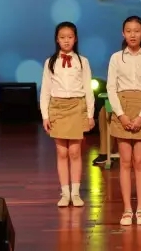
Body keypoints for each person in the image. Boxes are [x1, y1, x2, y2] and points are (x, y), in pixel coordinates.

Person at [106, 15, 141, 226]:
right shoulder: (116, 58)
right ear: (123, 33)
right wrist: (121, 114)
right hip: (122, 108)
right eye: (128, 31)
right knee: (125, 162)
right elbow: (111, 88)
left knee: (140, 162)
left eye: (137, 31)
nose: (133, 35)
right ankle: (127, 209)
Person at [40, 22, 95, 208]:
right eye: (62, 37)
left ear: (75, 39)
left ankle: (76, 193)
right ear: (57, 39)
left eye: (70, 37)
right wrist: (45, 115)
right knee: (62, 152)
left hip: (77, 106)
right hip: (57, 107)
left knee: (74, 151)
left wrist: (90, 114)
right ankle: (65, 193)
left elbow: (88, 88)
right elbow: (45, 90)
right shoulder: (50, 62)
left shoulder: (82, 61)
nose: (66, 41)